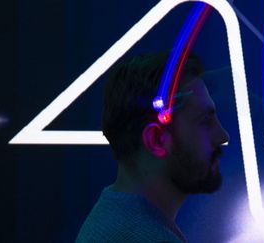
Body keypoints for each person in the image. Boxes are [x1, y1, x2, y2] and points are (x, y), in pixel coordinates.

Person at [76, 52, 229, 243]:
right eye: (205, 122)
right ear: (156, 140)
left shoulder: (108, 219)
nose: (222, 136)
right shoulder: (145, 236)